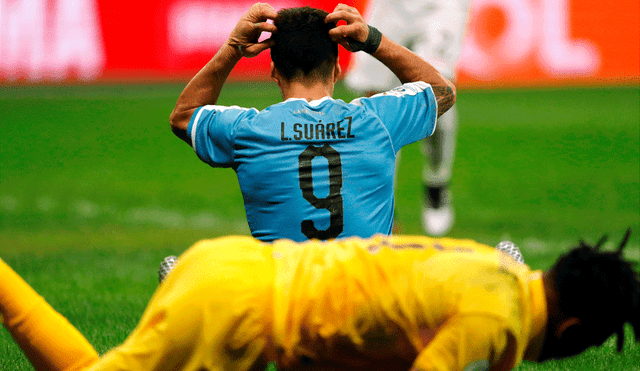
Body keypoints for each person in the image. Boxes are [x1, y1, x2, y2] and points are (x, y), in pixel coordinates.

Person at [2, 230, 638, 371]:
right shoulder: (496, 321)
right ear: (574, 329)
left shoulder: (493, 268)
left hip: (235, 265)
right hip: (241, 312)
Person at [169, 3, 456, 242]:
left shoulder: (247, 131)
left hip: (287, 301)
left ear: (273, 71)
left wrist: (233, 47)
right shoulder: (377, 120)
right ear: (337, 69)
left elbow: (183, 115)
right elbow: (442, 90)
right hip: (363, 298)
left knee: (207, 261)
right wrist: (373, 41)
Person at [344, 0, 472, 236]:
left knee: (437, 92)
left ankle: (437, 179)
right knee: (376, 100)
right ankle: (384, 206)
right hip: (391, 6)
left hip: (440, 6)